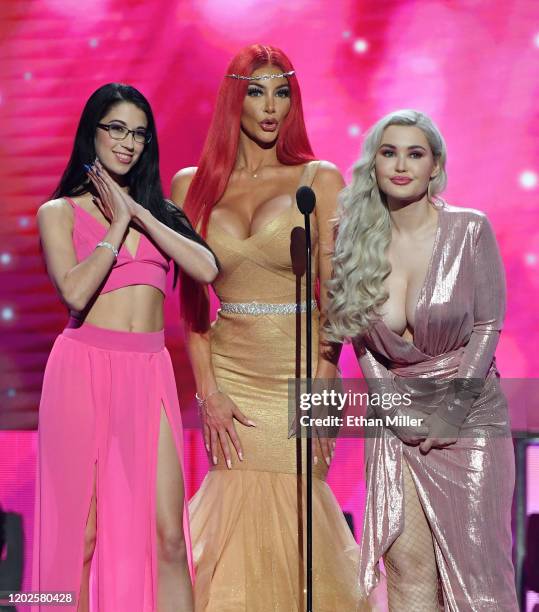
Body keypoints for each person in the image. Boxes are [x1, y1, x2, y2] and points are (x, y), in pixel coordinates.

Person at [171, 44, 367, 611]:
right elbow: (191, 306)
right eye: (256, 91)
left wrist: (326, 395)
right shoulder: (191, 187)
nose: (270, 106)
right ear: (234, 97)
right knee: (234, 507)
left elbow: (337, 300)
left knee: (297, 505)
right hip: (231, 372)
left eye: (282, 92)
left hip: (301, 371)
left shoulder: (318, 177)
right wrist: (209, 392)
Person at [33, 83, 218, 612]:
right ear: (91, 133)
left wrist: (138, 213)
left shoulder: (156, 215)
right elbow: (73, 291)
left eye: (138, 133)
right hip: (81, 369)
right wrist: (115, 223)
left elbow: (206, 269)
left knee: (168, 534)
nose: (128, 142)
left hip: (148, 372)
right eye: (116, 128)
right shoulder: (59, 212)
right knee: (82, 536)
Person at [326, 109, 518, 611]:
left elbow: (486, 324)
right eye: (389, 152)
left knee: (478, 574)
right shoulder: (352, 238)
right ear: (375, 163)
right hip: (394, 416)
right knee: (407, 569)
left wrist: (451, 411)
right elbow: (358, 338)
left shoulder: (469, 229)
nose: (401, 165)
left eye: (416, 153)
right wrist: (394, 408)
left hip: (467, 413)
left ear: (435, 166)